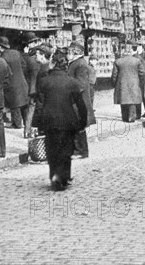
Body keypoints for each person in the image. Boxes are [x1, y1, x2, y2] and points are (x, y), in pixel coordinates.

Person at [37, 49, 87, 191]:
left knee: (52, 150)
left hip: (49, 121)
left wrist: (38, 124)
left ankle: (54, 177)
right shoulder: (72, 83)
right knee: (66, 150)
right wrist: (82, 122)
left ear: (53, 64)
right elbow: (81, 105)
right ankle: (63, 178)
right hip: (68, 121)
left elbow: (39, 105)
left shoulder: (43, 82)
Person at [67, 42, 96, 159]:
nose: (67, 54)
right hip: (75, 100)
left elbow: (81, 84)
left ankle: (81, 151)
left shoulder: (80, 64)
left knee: (79, 126)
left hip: (78, 101)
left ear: (75, 52)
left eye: (69, 52)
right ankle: (77, 150)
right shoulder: (76, 63)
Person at [0, 36, 29, 132]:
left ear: (0, 47)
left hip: (11, 84)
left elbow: (4, 71)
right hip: (21, 81)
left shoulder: (3, 57)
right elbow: (24, 65)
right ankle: (26, 123)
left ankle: (17, 123)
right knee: (23, 103)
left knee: (15, 105)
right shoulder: (16, 52)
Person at [111, 43, 145, 123]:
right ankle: (132, 116)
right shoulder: (137, 61)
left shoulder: (118, 61)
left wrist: (114, 84)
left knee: (123, 100)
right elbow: (143, 72)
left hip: (122, 84)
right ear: (131, 52)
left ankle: (124, 117)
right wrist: (140, 81)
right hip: (134, 83)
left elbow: (114, 75)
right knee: (132, 100)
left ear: (123, 52)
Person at [21, 32, 43, 138]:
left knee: (31, 109)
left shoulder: (29, 57)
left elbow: (25, 70)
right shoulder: (36, 57)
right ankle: (32, 130)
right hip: (37, 86)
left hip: (31, 87)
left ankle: (27, 130)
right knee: (34, 109)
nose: (31, 45)